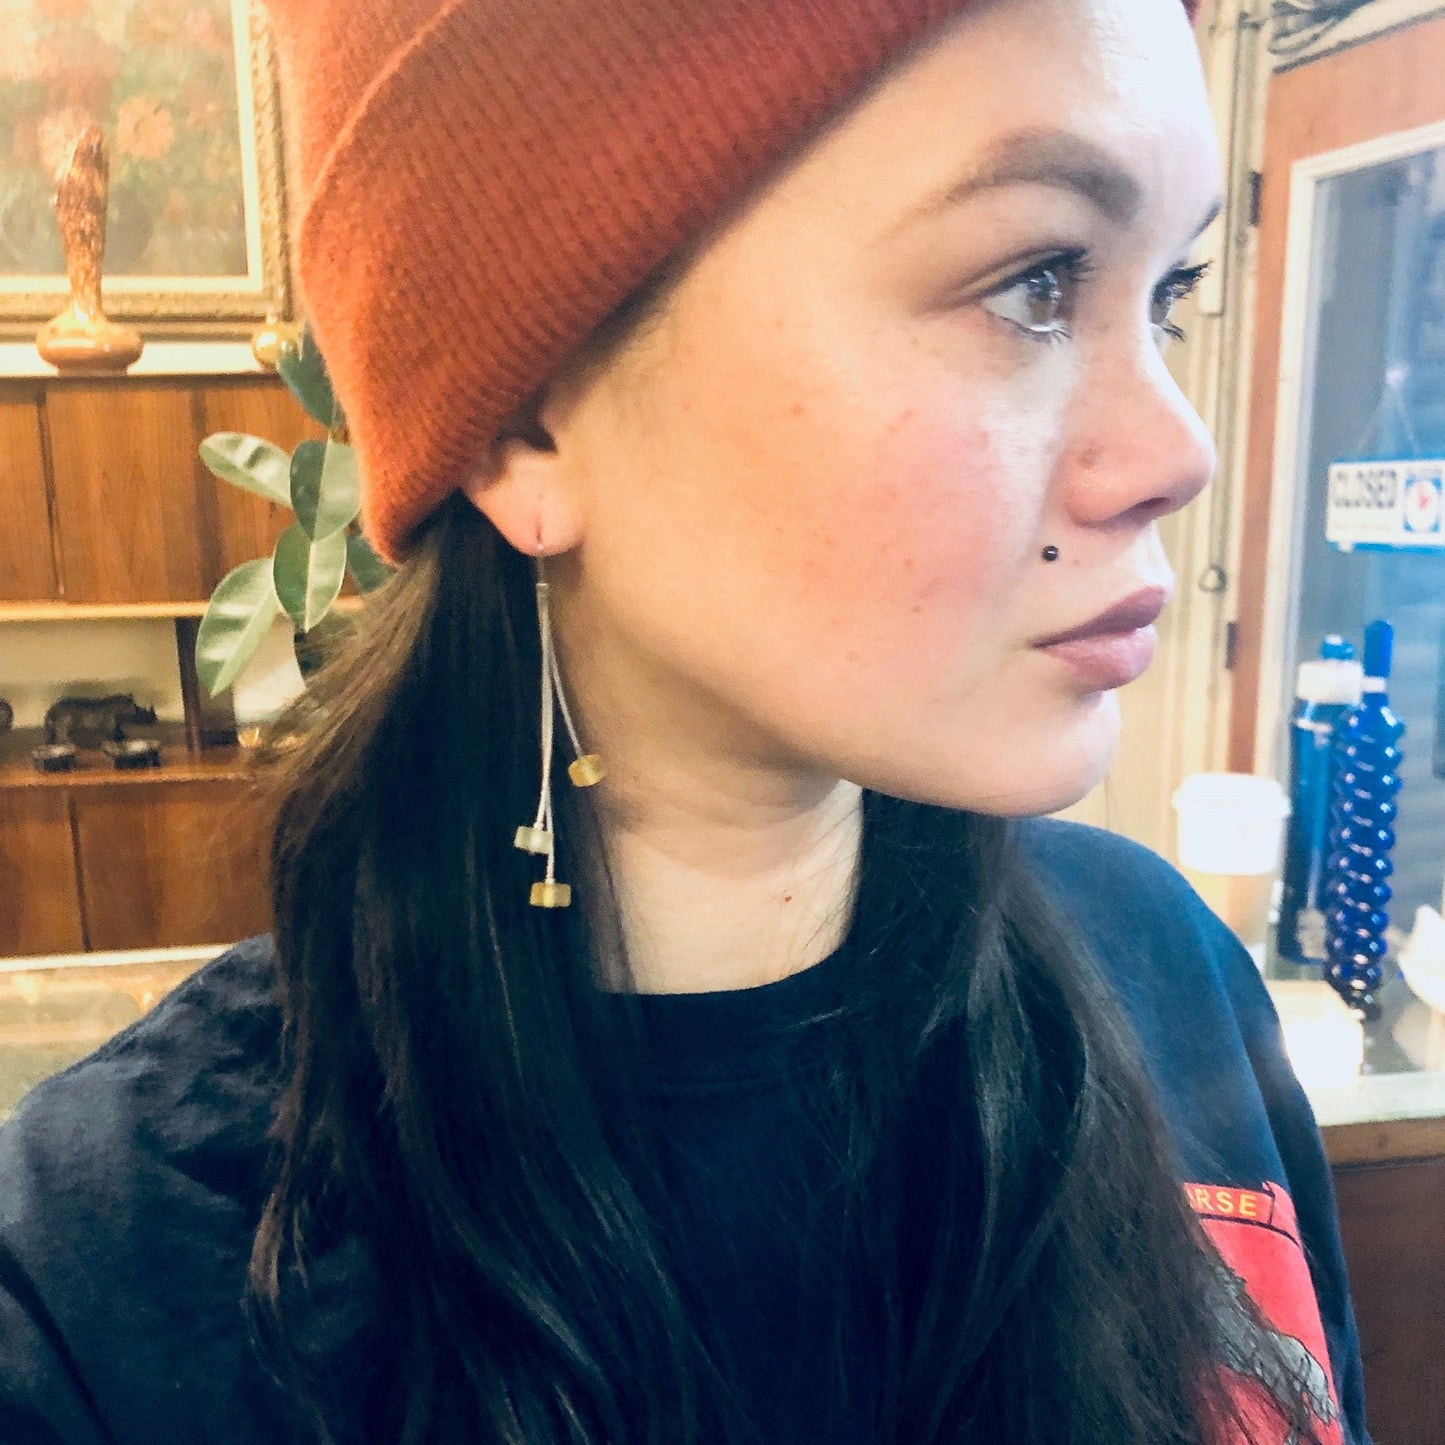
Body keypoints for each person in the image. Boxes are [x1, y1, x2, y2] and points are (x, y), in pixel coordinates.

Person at [0, 0, 1372, 1440]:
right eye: (1033, 282)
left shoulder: (1171, 984)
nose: (1176, 450)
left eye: (1167, 291)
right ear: (525, 420)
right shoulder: (113, 1287)